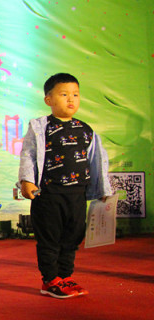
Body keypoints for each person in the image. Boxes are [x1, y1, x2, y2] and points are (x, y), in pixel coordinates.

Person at [18, 73, 112, 299]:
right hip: (48, 193)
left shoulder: (85, 130)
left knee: (73, 236)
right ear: (48, 100)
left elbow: (98, 160)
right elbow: (28, 154)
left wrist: (103, 189)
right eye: (64, 94)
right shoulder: (40, 127)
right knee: (50, 238)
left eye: (75, 94)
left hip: (77, 194)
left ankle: (65, 276)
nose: (71, 99)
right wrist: (26, 180)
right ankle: (50, 279)